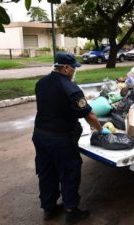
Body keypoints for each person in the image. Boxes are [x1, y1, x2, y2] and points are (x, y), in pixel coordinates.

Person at [32, 52, 111, 224]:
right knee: (69, 172)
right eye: (74, 68)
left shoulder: (41, 83)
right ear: (66, 68)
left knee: (47, 172)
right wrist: (99, 129)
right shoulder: (70, 88)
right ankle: (71, 211)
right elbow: (88, 114)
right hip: (60, 139)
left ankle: (49, 208)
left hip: (39, 135)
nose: (75, 71)